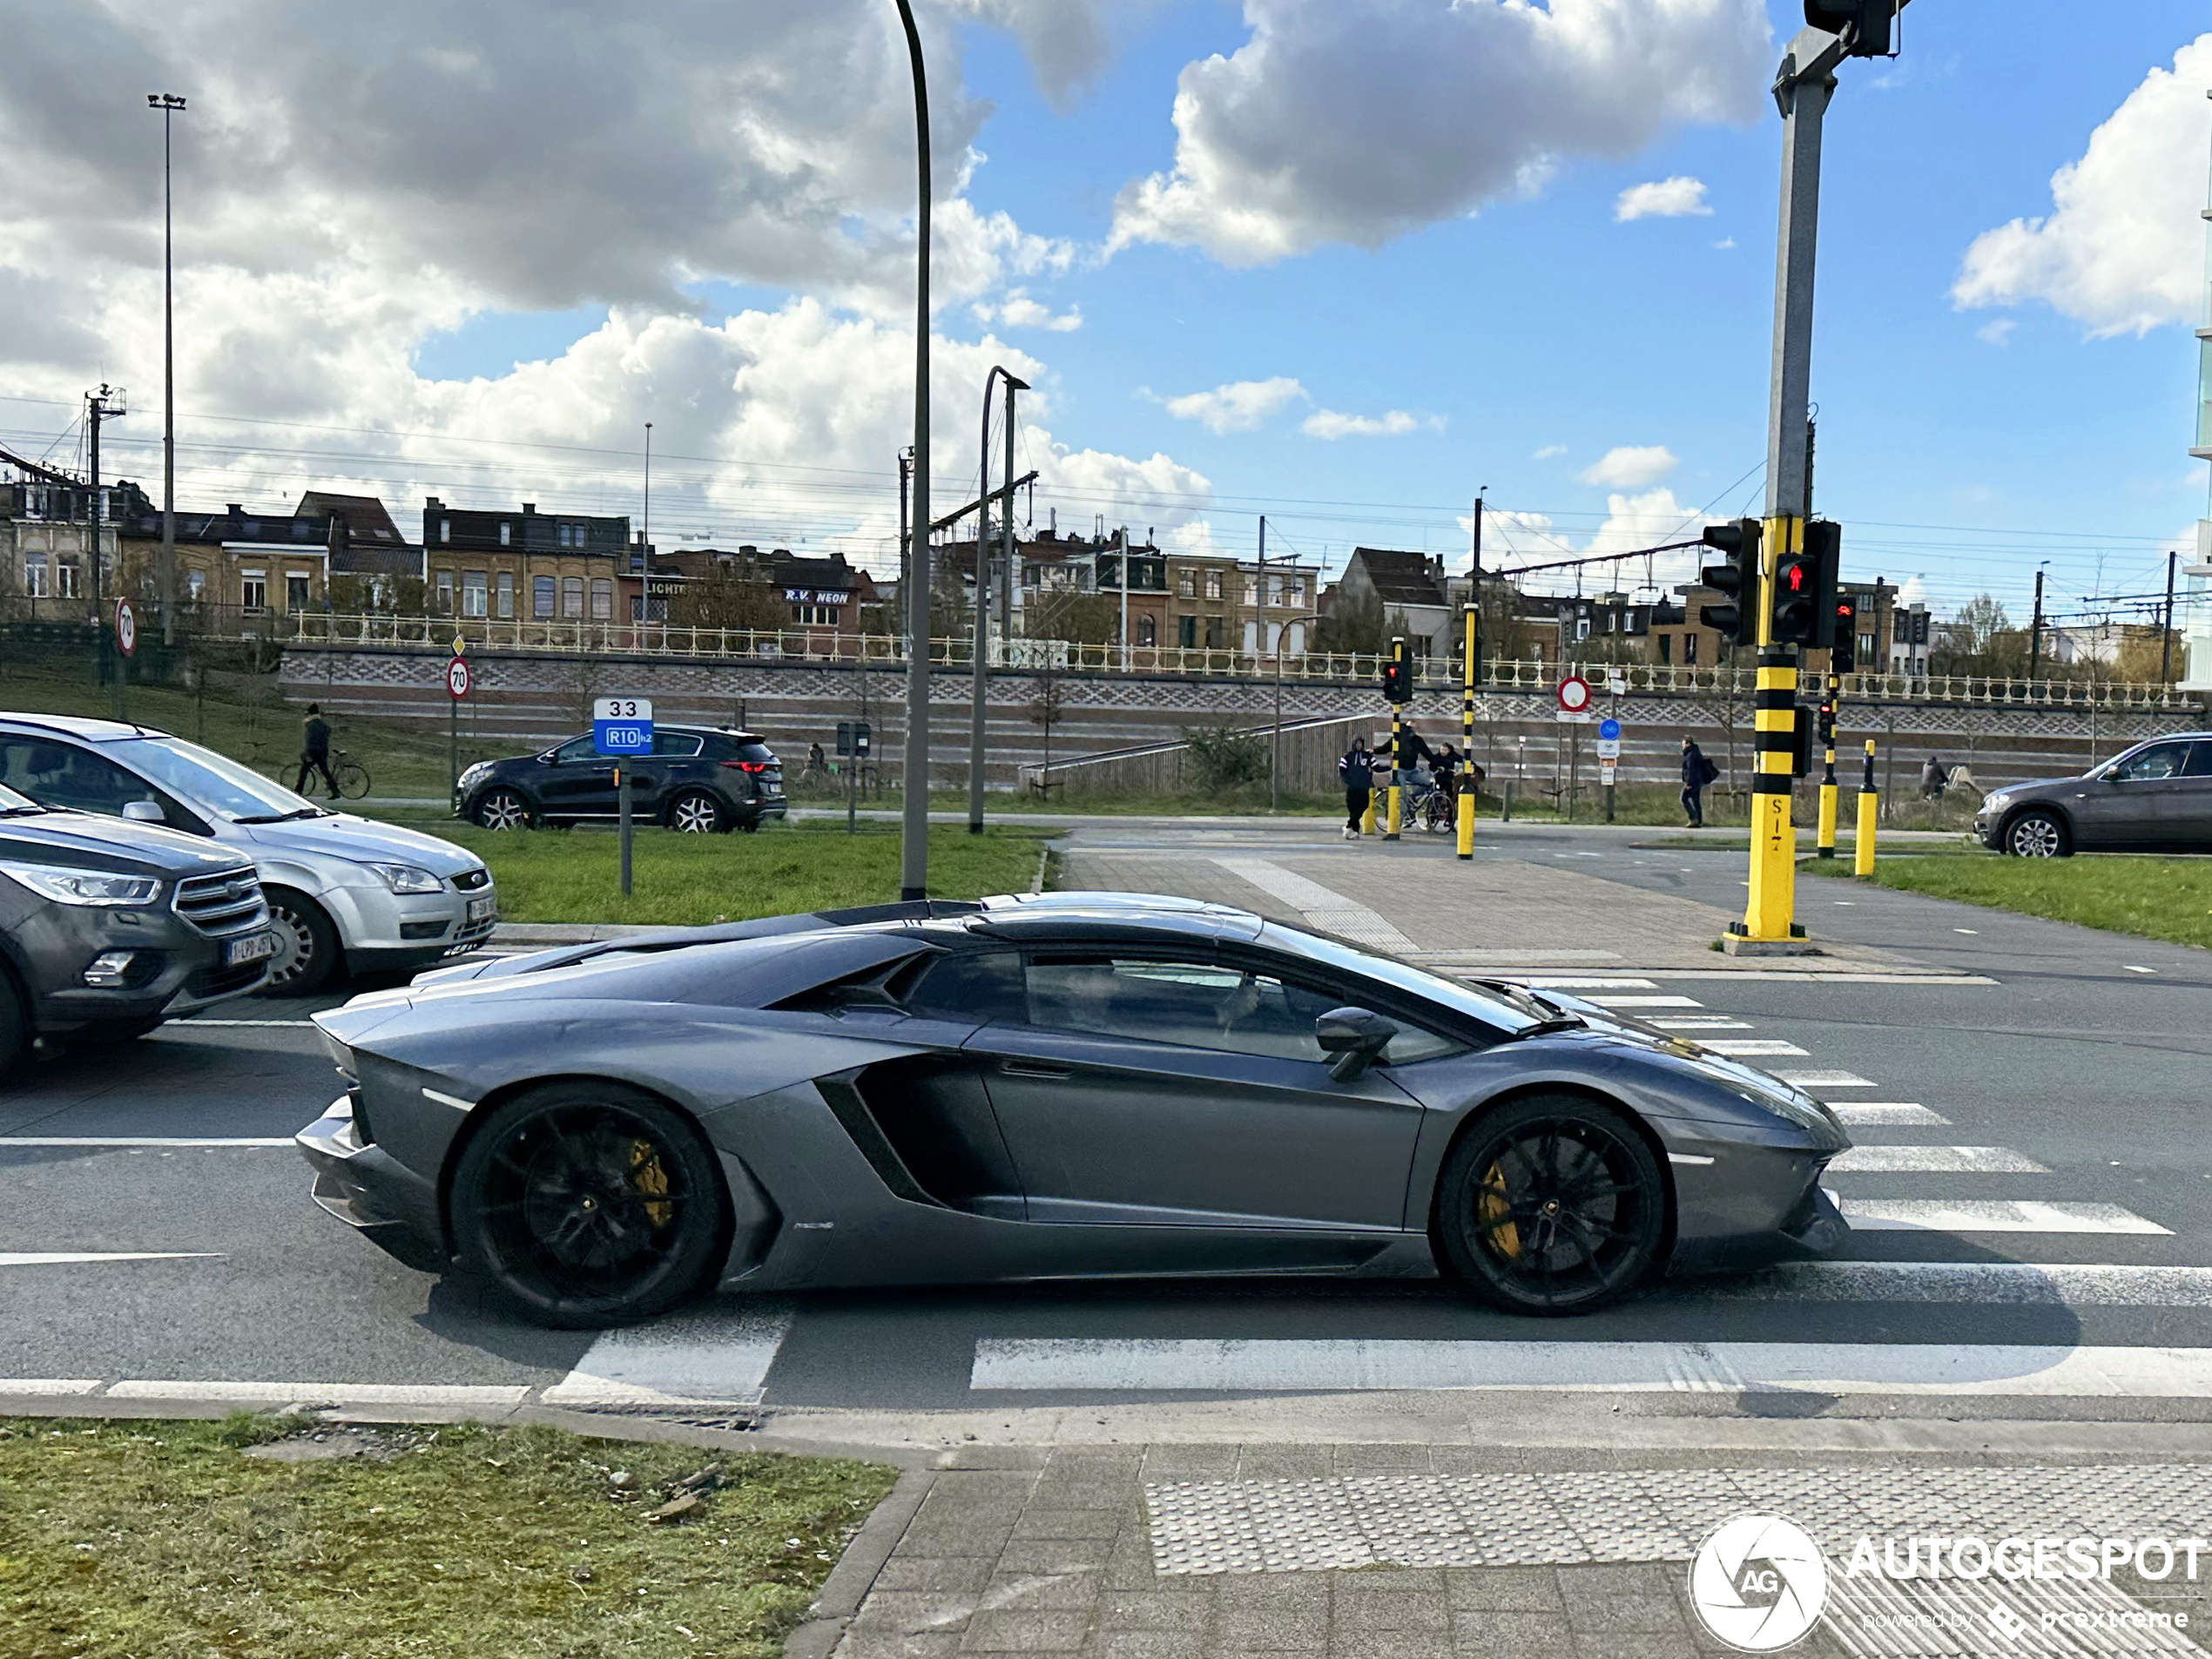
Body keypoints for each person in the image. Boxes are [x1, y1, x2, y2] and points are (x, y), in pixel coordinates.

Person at [295, 703, 339, 799]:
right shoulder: (323, 725)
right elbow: (327, 732)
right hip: (323, 751)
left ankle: (298, 791)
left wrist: (308, 753)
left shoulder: (311, 725)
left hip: (313, 751)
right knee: (325, 771)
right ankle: (335, 791)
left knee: (304, 771)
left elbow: (311, 741)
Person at [1338, 736, 1375, 840]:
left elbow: (1376, 767)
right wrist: (1348, 781)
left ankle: (1349, 826)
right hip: (1353, 787)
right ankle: (1354, 831)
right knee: (1353, 808)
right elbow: (1342, 770)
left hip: (1363, 786)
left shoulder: (1367, 756)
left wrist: (1390, 767)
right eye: (1357, 743)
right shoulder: (1347, 756)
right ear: (1354, 744)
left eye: (1361, 743)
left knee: (1364, 805)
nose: (1359, 745)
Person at [1680, 736, 1718, 828]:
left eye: (1683, 744)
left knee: (1684, 798)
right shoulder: (1696, 752)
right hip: (1698, 781)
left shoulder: (1690, 755)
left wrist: (1689, 784)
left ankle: (1693, 819)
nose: (1682, 746)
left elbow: (1691, 770)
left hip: (1693, 782)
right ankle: (1699, 821)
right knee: (1695, 800)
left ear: (1688, 744)